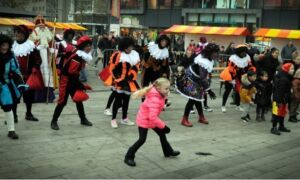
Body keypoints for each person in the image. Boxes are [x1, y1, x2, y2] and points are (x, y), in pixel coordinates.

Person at [124, 78, 180, 167]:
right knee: (142, 139)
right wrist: (164, 127)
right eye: (166, 88)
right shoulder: (155, 98)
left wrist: (164, 105)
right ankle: (128, 157)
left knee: (162, 134)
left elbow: (155, 109)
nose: (168, 90)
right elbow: (153, 116)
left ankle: (168, 152)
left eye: (169, 88)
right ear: (158, 88)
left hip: (151, 119)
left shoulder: (159, 94)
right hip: (145, 119)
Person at [50, 36, 93, 130]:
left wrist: (80, 85)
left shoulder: (81, 56)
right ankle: (54, 121)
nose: (89, 47)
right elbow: (71, 74)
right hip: (66, 81)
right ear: (82, 47)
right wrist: (81, 85)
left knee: (78, 100)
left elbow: (74, 74)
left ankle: (83, 119)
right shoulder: (77, 57)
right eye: (86, 46)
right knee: (62, 102)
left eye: (90, 45)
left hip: (72, 79)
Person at [177, 43, 218, 127]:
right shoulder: (203, 61)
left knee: (198, 98)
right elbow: (203, 78)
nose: (216, 54)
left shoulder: (209, 58)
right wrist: (209, 91)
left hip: (197, 79)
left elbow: (204, 77)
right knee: (192, 99)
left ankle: (201, 117)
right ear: (209, 52)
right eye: (215, 52)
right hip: (191, 79)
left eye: (217, 52)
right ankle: (184, 119)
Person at [12, 25, 42, 122]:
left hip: (28, 76)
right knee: (15, 96)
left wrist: (35, 67)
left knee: (29, 97)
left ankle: (28, 114)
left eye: (19, 32)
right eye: (16, 32)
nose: (17, 34)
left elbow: (38, 59)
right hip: (15, 76)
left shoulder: (31, 45)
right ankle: (14, 116)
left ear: (24, 35)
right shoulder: (12, 46)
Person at [0, 34, 27, 139]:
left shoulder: (11, 56)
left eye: (6, 45)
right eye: (2, 45)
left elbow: (15, 71)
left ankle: (11, 130)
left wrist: (20, 82)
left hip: (6, 86)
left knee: (8, 107)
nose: (4, 47)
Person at [110, 37, 140, 128]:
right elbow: (112, 68)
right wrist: (118, 78)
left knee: (126, 100)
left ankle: (124, 118)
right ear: (124, 47)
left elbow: (136, 66)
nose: (130, 49)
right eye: (128, 47)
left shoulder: (135, 54)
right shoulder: (117, 55)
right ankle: (113, 119)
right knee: (118, 100)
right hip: (119, 81)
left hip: (129, 81)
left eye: (131, 46)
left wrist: (131, 75)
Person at [220, 44, 254, 113]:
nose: (244, 54)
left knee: (239, 91)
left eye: (245, 52)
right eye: (242, 52)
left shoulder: (247, 57)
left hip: (240, 76)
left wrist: (250, 71)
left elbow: (249, 66)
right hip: (231, 75)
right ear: (239, 52)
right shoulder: (233, 58)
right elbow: (230, 68)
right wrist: (232, 79)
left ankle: (237, 106)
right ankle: (223, 106)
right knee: (227, 91)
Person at [30, 15, 55, 102]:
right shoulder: (34, 32)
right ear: (37, 26)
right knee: (39, 73)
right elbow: (32, 41)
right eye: (40, 25)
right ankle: (38, 96)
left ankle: (49, 96)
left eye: (43, 25)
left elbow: (50, 39)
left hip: (46, 54)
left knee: (47, 74)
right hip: (38, 54)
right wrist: (38, 45)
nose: (42, 27)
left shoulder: (47, 31)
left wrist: (50, 48)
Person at [271, 63, 294, 135]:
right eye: (292, 69)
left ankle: (281, 126)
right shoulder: (283, 79)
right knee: (276, 114)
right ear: (287, 69)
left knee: (282, 113)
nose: (293, 70)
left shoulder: (286, 76)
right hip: (279, 100)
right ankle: (273, 128)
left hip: (283, 99)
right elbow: (279, 91)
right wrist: (278, 101)